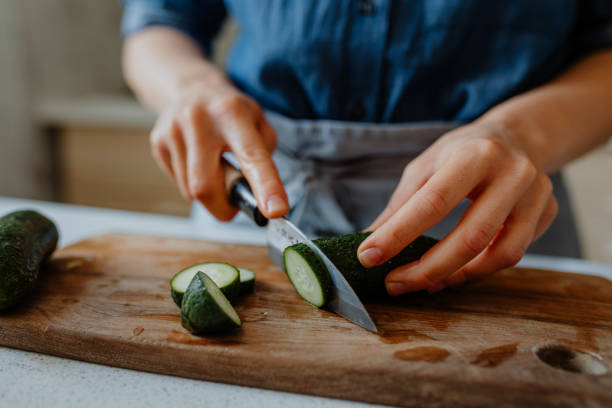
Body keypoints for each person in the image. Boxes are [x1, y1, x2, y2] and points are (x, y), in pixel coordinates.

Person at [121, 1, 612, 295]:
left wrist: (519, 134)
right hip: (256, 177)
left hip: (487, 202)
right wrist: (189, 87)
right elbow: (158, 21)